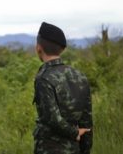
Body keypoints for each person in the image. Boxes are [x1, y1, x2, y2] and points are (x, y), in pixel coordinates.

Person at [33, 22, 93, 154]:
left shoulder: (43, 78)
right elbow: (86, 120)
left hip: (49, 148)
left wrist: (74, 133)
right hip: (75, 148)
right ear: (62, 49)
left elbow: (52, 119)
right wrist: (85, 147)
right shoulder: (80, 76)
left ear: (38, 48)